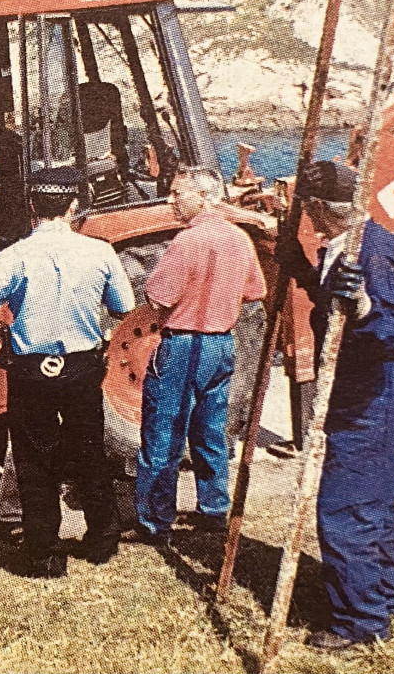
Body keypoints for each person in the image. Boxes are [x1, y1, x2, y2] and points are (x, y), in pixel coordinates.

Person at [0, 166, 135, 578]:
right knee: (89, 449)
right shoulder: (100, 252)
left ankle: (45, 553)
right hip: (81, 365)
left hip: (30, 370)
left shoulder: (15, 256)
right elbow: (124, 307)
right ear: (74, 205)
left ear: (32, 207)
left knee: (35, 458)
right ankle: (102, 540)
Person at [276, 159, 394, 651]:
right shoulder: (343, 248)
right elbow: (327, 296)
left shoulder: (370, 254)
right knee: (370, 499)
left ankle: (360, 623)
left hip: (372, 394)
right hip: (361, 389)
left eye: (307, 209)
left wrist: (364, 309)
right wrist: (296, 264)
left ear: (318, 208)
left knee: (346, 506)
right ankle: (380, 595)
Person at [135, 167, 267, 545]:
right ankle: (213, 509)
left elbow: (158, 296)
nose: (171, 200)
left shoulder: (186, 243)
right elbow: (254, 290)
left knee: (163, 434)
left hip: (183, 345)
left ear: (204, 196)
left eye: (178, 193)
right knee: (210, 429)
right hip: (222, 343)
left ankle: (154, 520)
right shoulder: (240, 239)